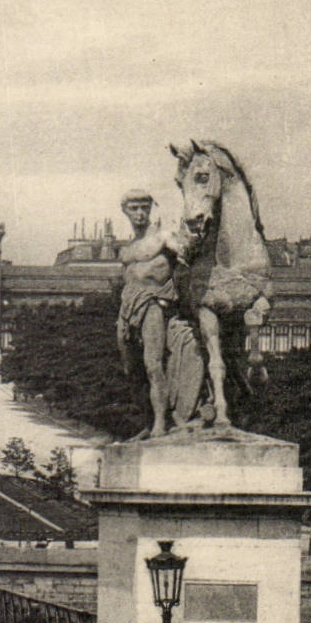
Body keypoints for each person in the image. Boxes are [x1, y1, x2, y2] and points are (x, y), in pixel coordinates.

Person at [116, 188, 192, 438]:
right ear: (125, 211)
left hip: (153, 304)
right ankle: (148, 422)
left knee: (152, 364)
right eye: (134, 208)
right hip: (128, 306)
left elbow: (187, 253)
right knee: (131, 369)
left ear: (150, 210)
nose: (139, 213)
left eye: (144, 208)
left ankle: (161, 422)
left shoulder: (164, 236)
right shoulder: (128, 248)